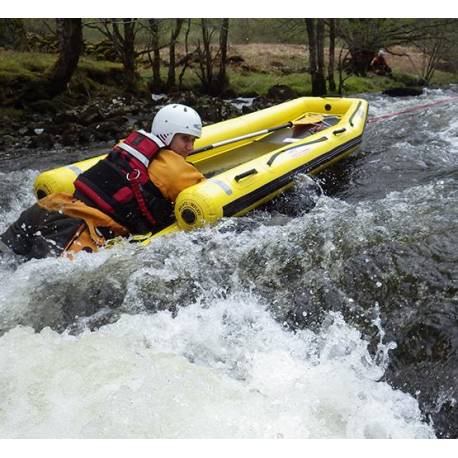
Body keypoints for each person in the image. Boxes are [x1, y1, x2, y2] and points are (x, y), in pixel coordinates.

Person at [0, 104, 205, 260]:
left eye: (193, 140)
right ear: (168, 135)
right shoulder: (177, 169)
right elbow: (205, 196)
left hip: (50, 208)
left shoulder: (128, 146)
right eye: (185, 139)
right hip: (80, 230)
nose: (190, 147)